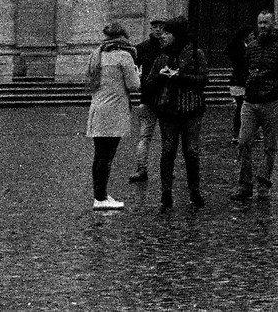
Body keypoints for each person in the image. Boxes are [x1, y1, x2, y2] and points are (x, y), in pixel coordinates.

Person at [141, 17, 209, 211]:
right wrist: (161, 77)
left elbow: (203, 80)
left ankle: (194, 190)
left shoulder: (196, 54)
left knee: (191, 151)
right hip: (168, 111)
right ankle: (166, 192)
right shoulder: (162, 57)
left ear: (177, 35)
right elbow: (148, 82)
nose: (163, 36)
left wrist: (181, 77)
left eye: (167, 33)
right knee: (168, 150)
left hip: (191, 109)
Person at [233, 11, 278, 201]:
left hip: (272, 101)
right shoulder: (251, 47)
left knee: (270, 145)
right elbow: (245, 70)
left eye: (266, 23)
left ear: (273, 23)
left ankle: (263, 183)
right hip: (251, 101)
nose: (262, 26)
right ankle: (245, 184)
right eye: (259, 22)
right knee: (243, 141)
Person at [84, 22, 139, 210]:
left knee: (99, 155)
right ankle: (100, 198)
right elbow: (133, 85)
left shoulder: (96, 54)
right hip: (114, 110)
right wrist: (138, 73)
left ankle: (99, 194)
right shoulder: (124, 56)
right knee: (107, 156)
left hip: (97, 108)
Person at [126, 19, 166, 184]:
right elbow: (131, 67)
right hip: (149, 97)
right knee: (145, 136)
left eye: (161, 28)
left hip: (166, 99)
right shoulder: (142, 47)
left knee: (167, 137)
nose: (158, 30)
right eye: (155, 27)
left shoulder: (169, 47)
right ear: (151, 29)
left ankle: (166, 169)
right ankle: (141, 169)